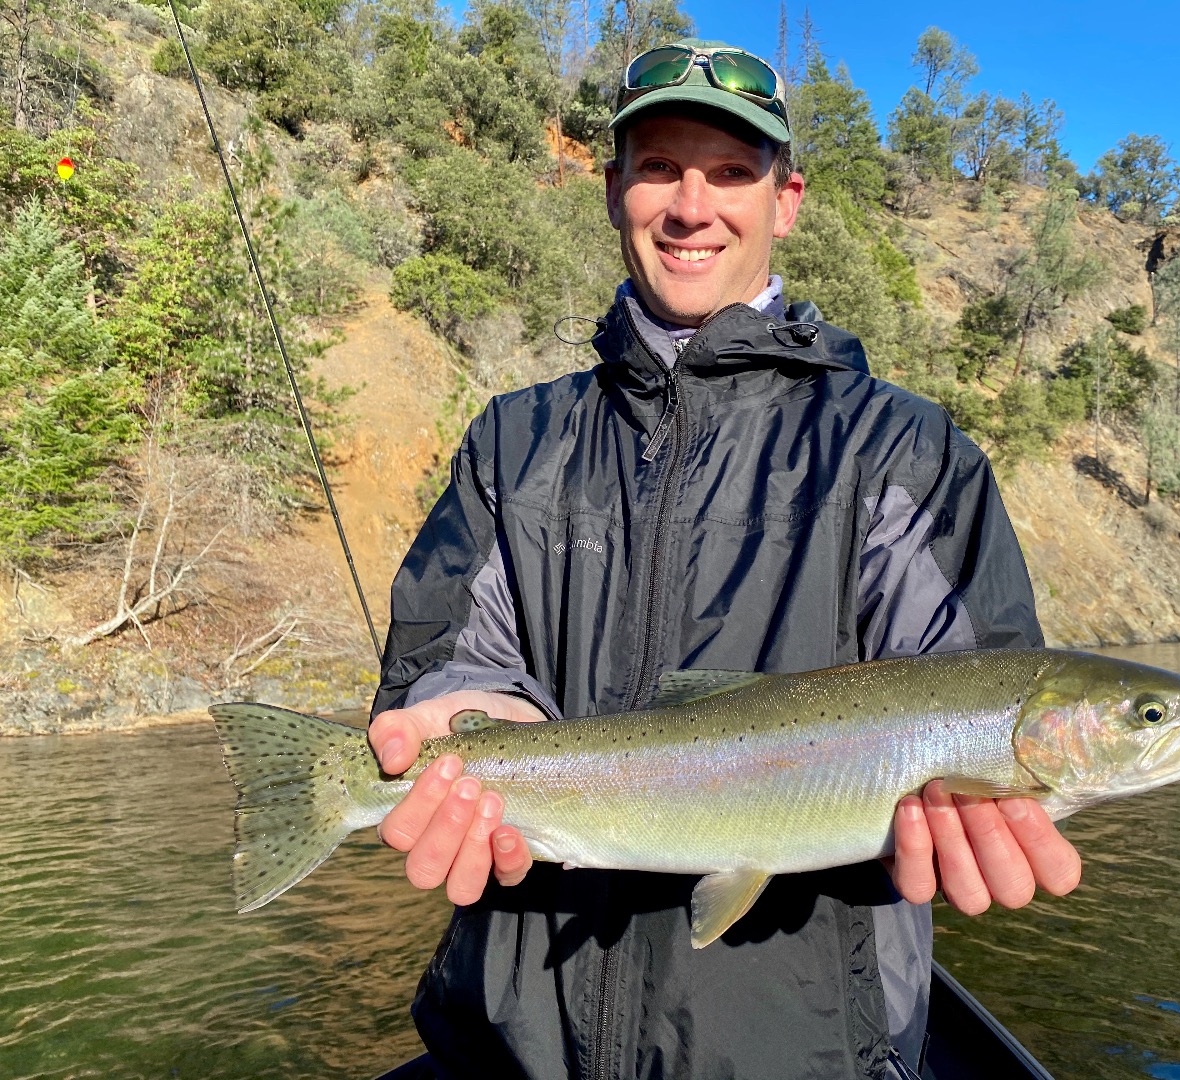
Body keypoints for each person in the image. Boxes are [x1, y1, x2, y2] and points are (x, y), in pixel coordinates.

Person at [368, 38, 1081, 1080]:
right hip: (520, 1043)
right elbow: (447, 653)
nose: (691, 205)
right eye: (659, 167)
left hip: (804, 1049)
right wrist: (460, 706)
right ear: (613, 191)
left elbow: (968, 672)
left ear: (785, 200)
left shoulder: (904, 452)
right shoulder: (512, 441)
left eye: (731, 173)